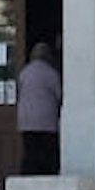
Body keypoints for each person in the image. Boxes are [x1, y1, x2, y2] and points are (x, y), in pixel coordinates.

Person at [16, 41, 63, 175]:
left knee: (30, 150)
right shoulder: (51, 73)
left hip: (26, 119)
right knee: (47, 150)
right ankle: (47, 173)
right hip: (46, 119)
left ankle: (28, 173)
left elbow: (19, 91)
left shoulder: (24, 72)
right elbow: (59, 94)